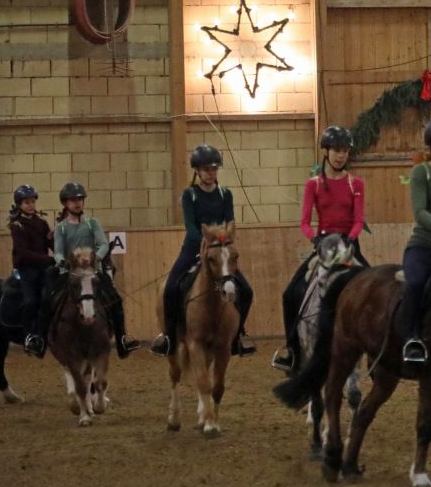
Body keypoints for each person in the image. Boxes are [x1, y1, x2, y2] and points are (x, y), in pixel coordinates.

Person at [272, 125, 367, 373]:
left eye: (345, 151)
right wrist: (314, 239)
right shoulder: (313, 185)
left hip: (349, 244)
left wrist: (350, 239)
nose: (341, 156)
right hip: (324, 244)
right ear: (326, 151)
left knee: (375, 289)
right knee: (290, 294)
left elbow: (359, 220)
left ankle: (376, 352)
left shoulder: (356, 184)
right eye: (336, 150)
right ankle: (292, 351)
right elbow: (304, 222)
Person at [149, 145, 255, 357]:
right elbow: (191, 227)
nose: (210, 173)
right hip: (193, 247)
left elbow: (229, 221)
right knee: (171, 288)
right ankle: (169, 336)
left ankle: (238, 335)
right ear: (197, 171)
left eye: (214, 169)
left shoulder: (225, 194)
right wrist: (205, 244)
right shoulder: (190, 195)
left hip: (220, 251)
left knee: (246, 290)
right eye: (206, 169)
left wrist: (225, 241)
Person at [30, 182, 141, 359]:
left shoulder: (92, 223)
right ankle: (40, 339)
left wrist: (97, 257)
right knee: (47, 299)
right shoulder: (61, 227)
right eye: (73, 200)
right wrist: (62, 261)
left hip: (92, 271)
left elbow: (103, 244)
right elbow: (58, 251)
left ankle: (122, 340)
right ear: (65, 203)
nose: (77, 203)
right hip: (70, 273)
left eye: (80, 199)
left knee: (115, 299)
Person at [8, 186, 55, 357]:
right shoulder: (17, 225)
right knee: (30, 301)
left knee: (50, 297)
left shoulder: (41, 223)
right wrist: (48, 259)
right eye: (26, 203)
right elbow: (23, 253)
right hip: (26, 269)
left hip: (43, 268)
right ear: (19, 205)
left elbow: (51, 243)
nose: (30, 205)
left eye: (32, 202)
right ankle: (28, 335)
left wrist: (59, 248)